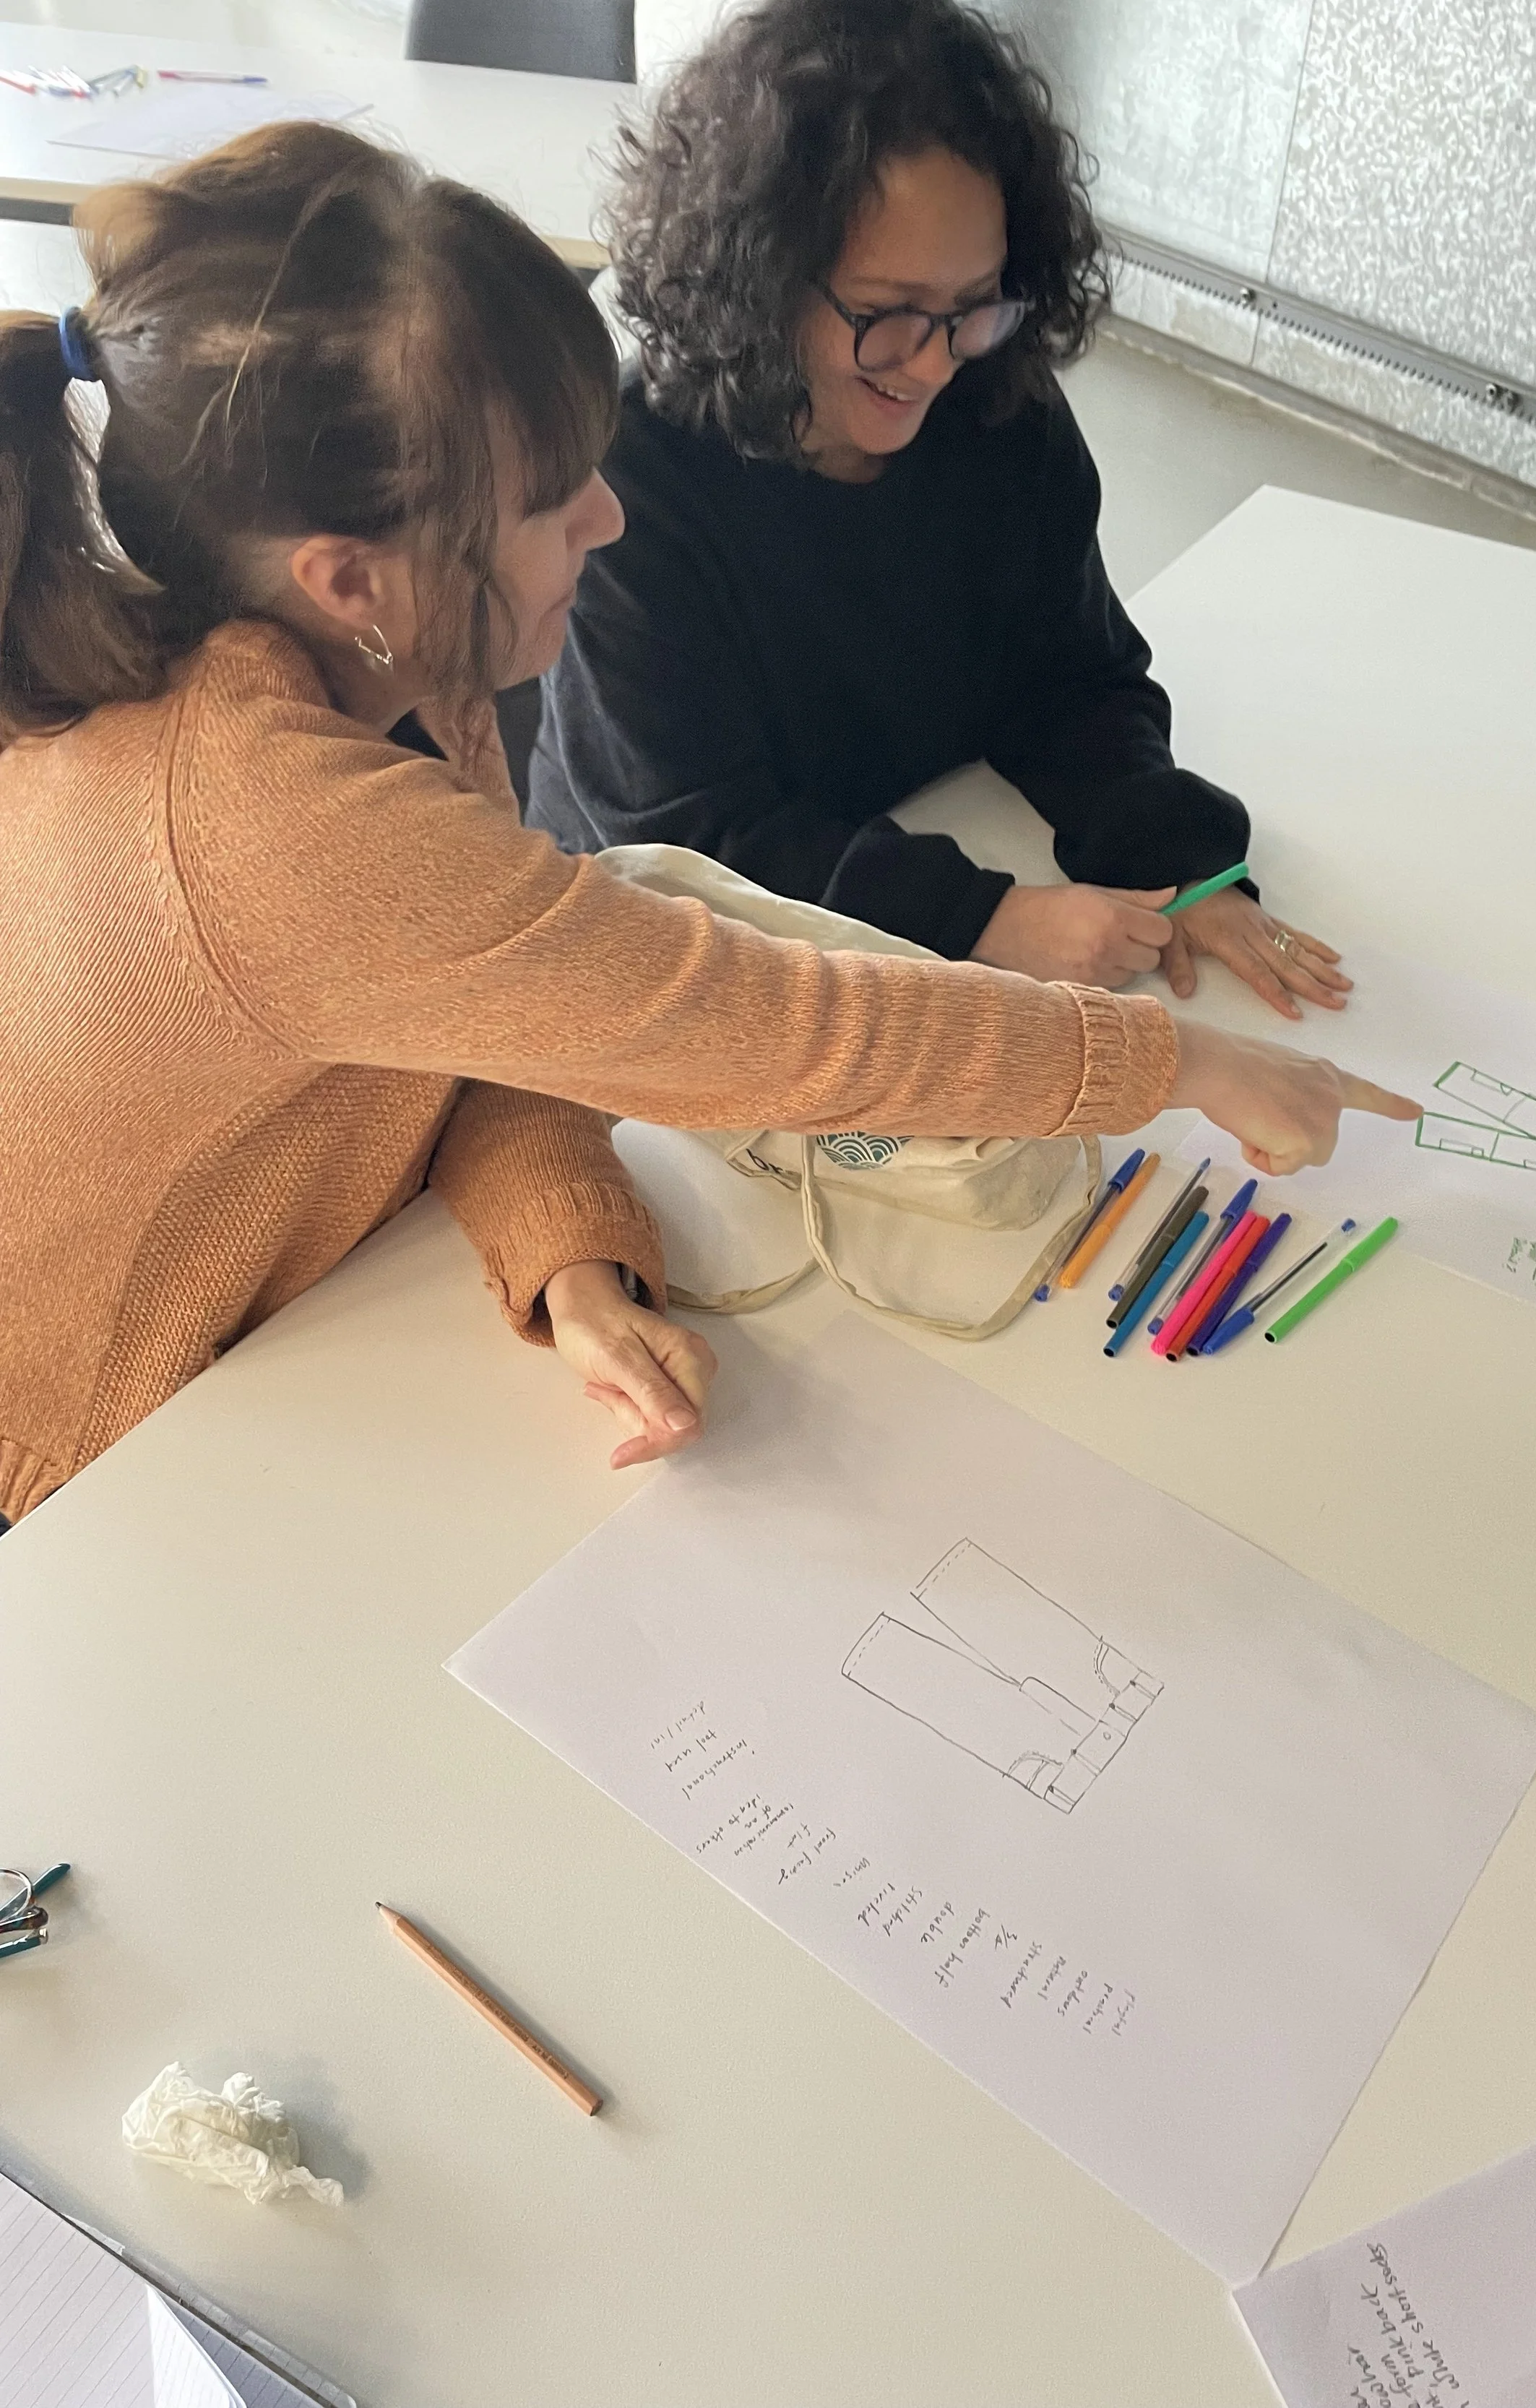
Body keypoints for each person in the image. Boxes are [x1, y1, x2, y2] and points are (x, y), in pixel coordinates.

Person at [0, 124, 1416, 1529]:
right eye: (554, 505)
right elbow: (775, 1026)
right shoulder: (275, 817)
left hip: (301, 1343)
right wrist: (1175, 1060)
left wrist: (568, 1253)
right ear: (350, 576)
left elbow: (496, 1021)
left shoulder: (392, 665)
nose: (609, 523)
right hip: (102, 1479)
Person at [527, 0, 1349, 1021]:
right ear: (763, 280)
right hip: (664, 947)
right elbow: (697, 846)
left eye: (974, 306)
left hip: (912, 831)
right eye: (888, 314)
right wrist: (980, 921)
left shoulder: (995, 406)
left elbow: (1074, 683)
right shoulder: (632, 485)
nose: (934, 362)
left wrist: (1181, 860)